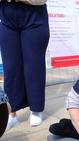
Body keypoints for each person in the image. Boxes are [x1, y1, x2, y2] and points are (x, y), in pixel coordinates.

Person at [0, 0, 50, 130]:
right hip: (7, 15)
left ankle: (36, 109)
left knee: (34, 67)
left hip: (34, 14)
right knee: (10, 68)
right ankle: (12, 112)